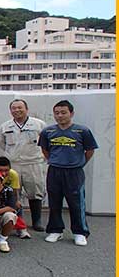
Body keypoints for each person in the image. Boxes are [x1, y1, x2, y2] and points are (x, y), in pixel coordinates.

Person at [39, 100, 98, 246]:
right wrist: (56, 161)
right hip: (54, 171)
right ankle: (55, 230)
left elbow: (89, 150)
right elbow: (45, 150)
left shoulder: (82, 131)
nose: (60, 116)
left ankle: (80, 232)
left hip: (74, 172)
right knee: (54, 202)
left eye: (63, 112)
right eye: (57, 113)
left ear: (71, 113)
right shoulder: (48, 131)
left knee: (77, 203)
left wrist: (79, 163)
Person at [0, 99, 47, 231]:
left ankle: (36, 221)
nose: (17, 110)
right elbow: (2, 144)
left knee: (35, 192)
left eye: (20, 108)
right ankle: (18, 222)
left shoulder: (39, 125)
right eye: (13, 108)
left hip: (33, 163)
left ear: (26, 109)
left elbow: (46, 143)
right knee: (14, 193)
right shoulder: (5, 126)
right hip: (14, 164)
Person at [0, 157, 31, 239]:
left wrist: (16, 201)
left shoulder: (13, 174)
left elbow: (15, 191)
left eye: (6, 170)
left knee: (18, 205)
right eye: (0, 170)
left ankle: (21, 229)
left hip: (7, 197)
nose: (4, 173)